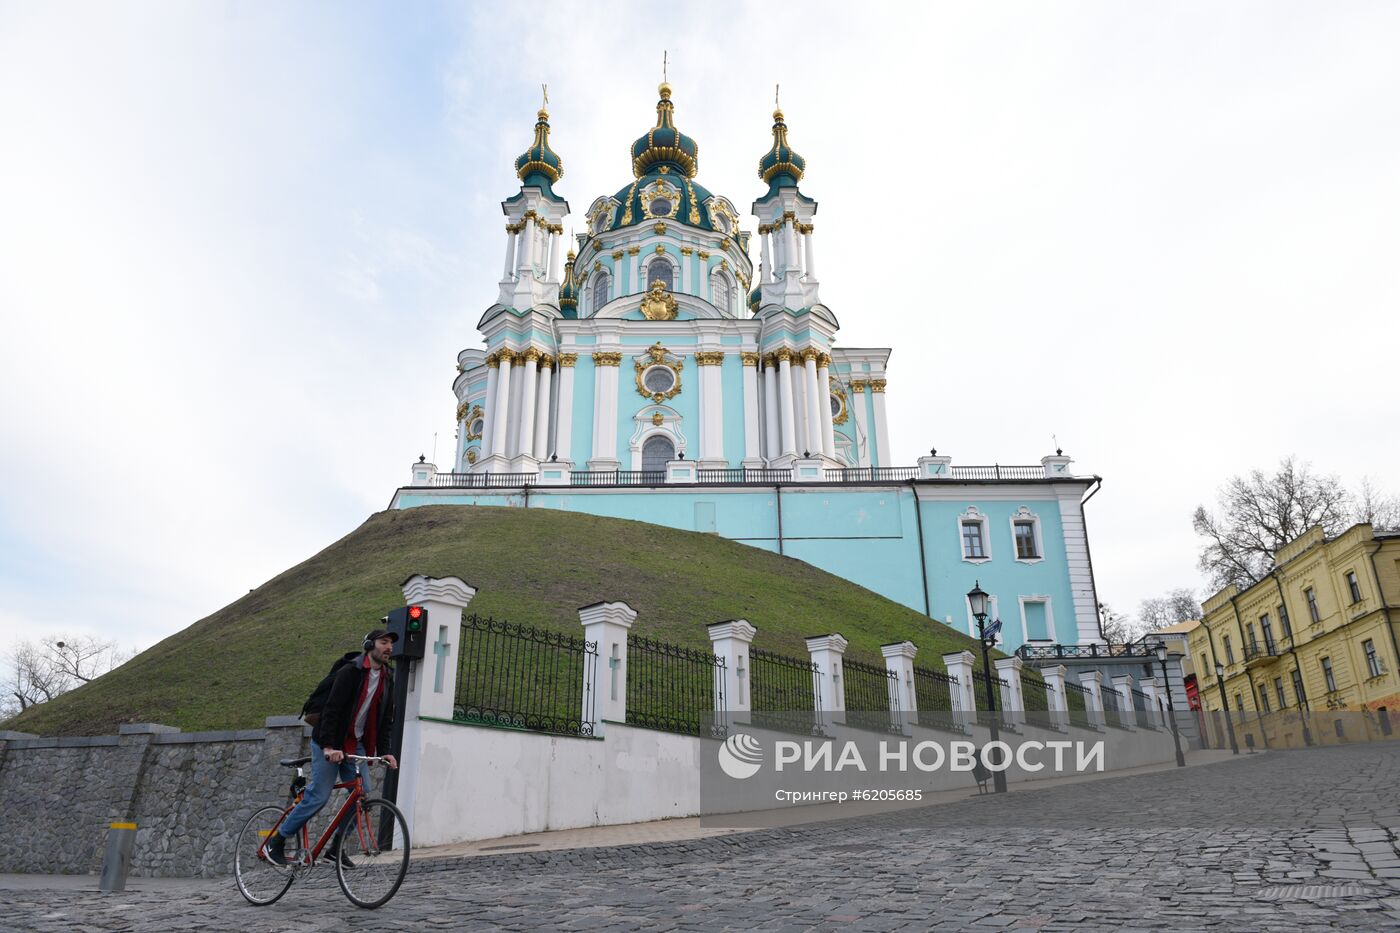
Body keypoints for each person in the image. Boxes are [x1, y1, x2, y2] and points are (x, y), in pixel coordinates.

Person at [266, 629, 400, 865]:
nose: (388, 647)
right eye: (384, 642)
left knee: (361, 794)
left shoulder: (388, 678)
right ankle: (276, 842)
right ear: (370, 645)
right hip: (330, 741)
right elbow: (332, 710)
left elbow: (385, 720)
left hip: (355, 744)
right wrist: (328, 747)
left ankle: (335, 849)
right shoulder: (351, 672)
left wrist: (385, 751)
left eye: (390, 643)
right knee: (319, 795)